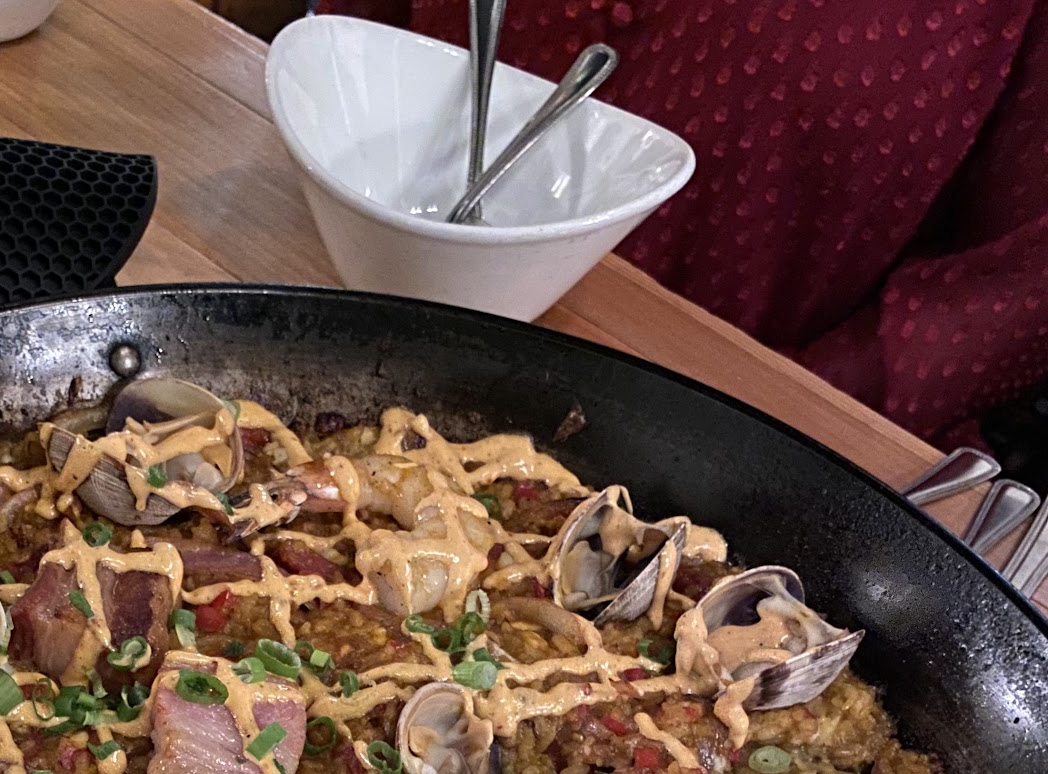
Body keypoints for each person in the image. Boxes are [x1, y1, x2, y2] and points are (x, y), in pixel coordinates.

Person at [312, 0, 1048, 446]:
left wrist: (746, 422)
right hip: (366, 294)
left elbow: (1019, 288)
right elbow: (359, 49)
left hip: (740, 418)